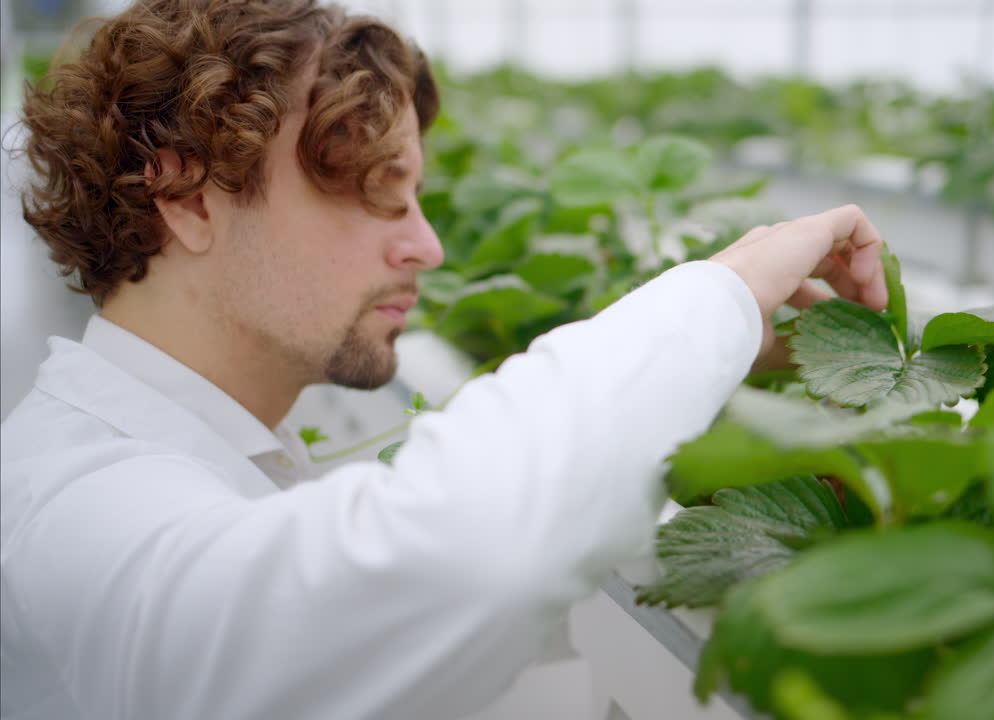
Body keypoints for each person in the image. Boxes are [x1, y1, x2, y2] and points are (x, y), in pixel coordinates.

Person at [0, 1, 889, 718]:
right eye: (377, 190)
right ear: (186, 195)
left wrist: (721, 360)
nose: (425, 245)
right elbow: (457, 559)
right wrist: (717, 297)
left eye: (417, 194)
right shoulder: (76, 512)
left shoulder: (204, 453)